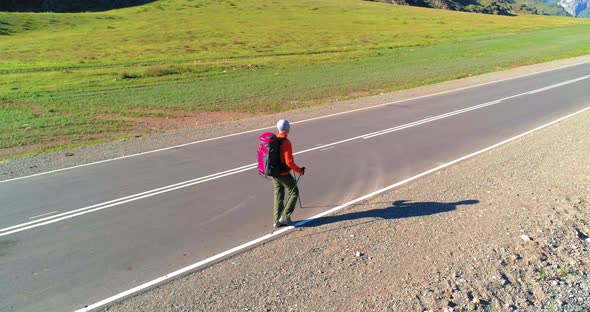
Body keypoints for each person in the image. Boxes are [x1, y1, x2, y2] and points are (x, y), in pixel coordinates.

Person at [273, 119, 305, 229]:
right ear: (288, 129)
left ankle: (277, 220)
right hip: (283, 173)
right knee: (294, 192)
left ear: (278, 128)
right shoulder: (285, 142)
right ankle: (285, 217)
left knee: (279, 194)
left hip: (274, 173)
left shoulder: (273, 141)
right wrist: (299, 170)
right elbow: (289, 162)